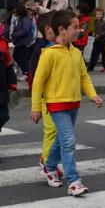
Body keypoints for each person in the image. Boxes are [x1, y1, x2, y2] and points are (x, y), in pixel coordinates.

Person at [30, 10, 103, 196]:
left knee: (61, 139)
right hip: (56, 105)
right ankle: (73, 181)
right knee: (69, 141)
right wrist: (36, 107)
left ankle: (49, 165)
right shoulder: (49, 54)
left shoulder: (76, 53)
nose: (79, 30)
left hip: (74, 104)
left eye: (79, 27)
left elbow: (84, 76)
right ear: (61, 30)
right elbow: (37, 82)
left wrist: (92, 95)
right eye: (75, 27)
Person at [28, 12, 64, 178]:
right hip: (46, 98)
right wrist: (36, 105)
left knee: (56, 131)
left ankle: (49, 160)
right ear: (49, 30)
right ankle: (46, 161)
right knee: (52, 131)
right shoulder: (41, 49)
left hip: (56, 96)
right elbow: (36, 79)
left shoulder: (54, 46)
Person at [0, 34, 17, 133]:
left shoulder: (3, 43)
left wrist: (12, 83)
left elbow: (8, 65)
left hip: (2, 87)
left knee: (4, 115)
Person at [12, 4, 33, 80]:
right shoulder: (20, 19)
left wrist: (15, 34)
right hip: (20, 43)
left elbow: (25, 31)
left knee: (22, 58)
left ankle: (27, 72)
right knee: (16, 56)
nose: (14, 13)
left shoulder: (25, 19)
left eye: (16, 11)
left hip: (24, 43)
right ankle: (26, 72)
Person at [88, 8, 105, 73]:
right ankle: (91, 67)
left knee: (101, 55)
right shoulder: (95, 22)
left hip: (103, 41)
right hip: (97, 40)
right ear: (95, 15)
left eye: (100, 14)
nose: (99, 16)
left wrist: (99, 35)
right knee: (96, 54)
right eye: (97, 14)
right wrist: (93, 33)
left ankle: (104, 67)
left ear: (103, 15)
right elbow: (93, 30)